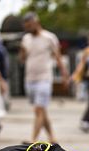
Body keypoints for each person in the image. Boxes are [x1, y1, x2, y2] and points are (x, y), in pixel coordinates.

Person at [20, 12, 68, 143]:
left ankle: (33, 139)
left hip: (44, 78)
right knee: (42, 110)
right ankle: (52, 137)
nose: (28, 28)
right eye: (26, 26)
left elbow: (58, 57)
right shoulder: (26, 39)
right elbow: (22, 60)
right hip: (29, 79)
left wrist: (64, 75)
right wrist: (22, 52)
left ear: (36, 22)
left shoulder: (49, 37)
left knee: (38, 109)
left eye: (30, 25)